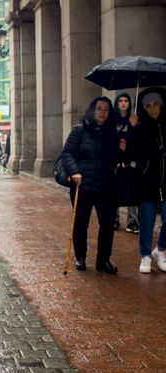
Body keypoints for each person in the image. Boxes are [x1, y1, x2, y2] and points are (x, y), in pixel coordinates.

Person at [58, 96, 120, 274]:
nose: (102, 113)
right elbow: (67, 153)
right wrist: (75, 171)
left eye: (106, 109)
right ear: (93, 110)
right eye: (99, 109)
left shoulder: (111, 132)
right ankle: (81, 257)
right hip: (82, 185)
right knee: (81, 223)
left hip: (105, 185)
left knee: (107, 223)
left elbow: (114, 158)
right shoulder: (80, 129)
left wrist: (120, 149)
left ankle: (103, 260)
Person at [134, 88, 166, 274]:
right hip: (147, 182)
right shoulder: (140, 127)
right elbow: (131, 152)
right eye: (148, 106)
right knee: (146, 221)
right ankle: (145, 255)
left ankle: (160, 249)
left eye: (156, 105)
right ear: (144, 108)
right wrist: (132, 128)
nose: (153, 109)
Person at [113, 93, 139, 233]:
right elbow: (107, 141)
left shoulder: (134, 120)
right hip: (115, 162)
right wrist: (117, 146)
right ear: (117, 104)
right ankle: (115, 219)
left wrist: (134, 127)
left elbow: (138, 142)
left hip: (130, 161)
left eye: (126, 101)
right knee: (114, 191)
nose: (123, 103)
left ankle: (132, 221)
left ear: (129, 103)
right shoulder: (112, 121)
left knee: (132, 191)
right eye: (120, 101)